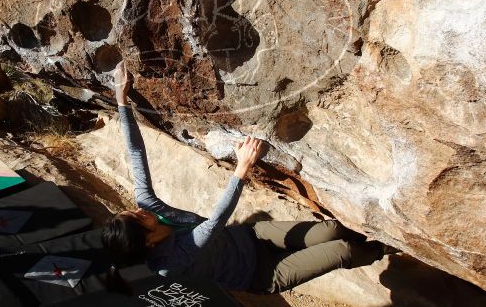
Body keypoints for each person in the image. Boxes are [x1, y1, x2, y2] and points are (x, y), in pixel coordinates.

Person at [103, 61, 384, 293]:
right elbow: (214, 223)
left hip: (252, 237)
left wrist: (121, 99)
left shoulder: (150, 209)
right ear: (149, 242)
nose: (140, 209)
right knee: (343, 251)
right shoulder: (169, 263)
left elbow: (136, 153)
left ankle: (371, 233)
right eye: (139, 218)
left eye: (131, 210)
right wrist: (243, 166)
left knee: (333, 231)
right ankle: (382, 248)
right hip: (260, 274)